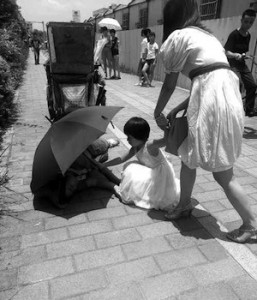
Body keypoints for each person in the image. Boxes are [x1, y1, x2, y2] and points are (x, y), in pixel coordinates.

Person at [154, 0, 257, 243]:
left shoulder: (179, 36)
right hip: (226, 96)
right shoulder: (207, 37)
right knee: (188, 156)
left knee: (223, 174)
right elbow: (206, 83)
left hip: (213, 100)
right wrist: (177, 109)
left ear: (171, 17)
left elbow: (170, 85)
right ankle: (184, 204)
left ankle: (251, 224)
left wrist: (157, 112)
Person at [104, 117, 180, 211]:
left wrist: (165, 128)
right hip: (150, 171)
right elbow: (121, 159)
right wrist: (105, 164)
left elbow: (165, 140)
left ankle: (115, 187)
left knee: (132, 172)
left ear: (139, 136)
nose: (127, 140)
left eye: (130, 137)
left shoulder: (150, 146)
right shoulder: (134, 148)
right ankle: (118, 185)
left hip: (160, 176)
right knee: (131, 168)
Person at [34, 137, 120, 208]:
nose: (75, 186)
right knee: (104, 158)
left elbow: (104, 170)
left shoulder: (76, 162)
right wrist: (115, 188)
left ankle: (108, 142)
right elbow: (96, 182)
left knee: (100, 147)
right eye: (74, 190)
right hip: (93, 160)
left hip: (88, 149)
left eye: (71, 187)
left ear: (63, 180)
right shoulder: (76, 186)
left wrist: (118, 182)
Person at [224, 9, 257, 117]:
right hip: (232, 64)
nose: (248, 24)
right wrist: (235, 55)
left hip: (242, 64)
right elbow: (226, 52)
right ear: (241, 20)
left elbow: (243, 51)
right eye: (246, 21)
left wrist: (243, 55)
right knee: (237, 84)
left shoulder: (248, 36)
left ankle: (248, 109)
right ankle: (233, 110)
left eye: (251, 22)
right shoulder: (234, 34)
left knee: (252, 85)